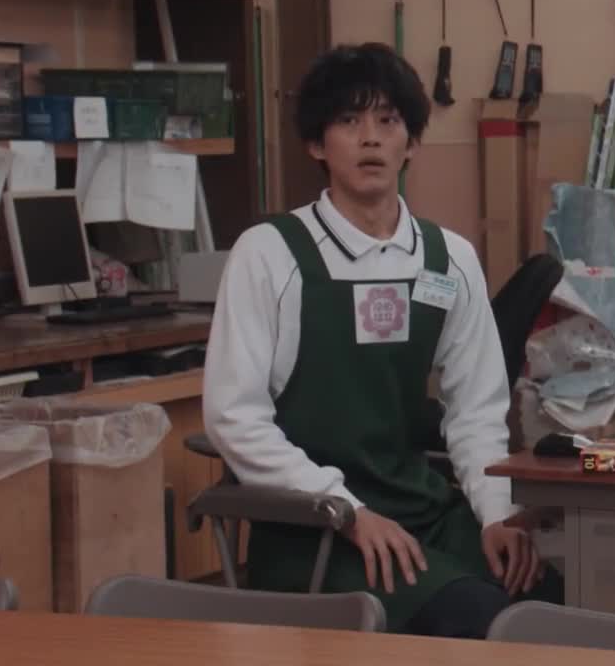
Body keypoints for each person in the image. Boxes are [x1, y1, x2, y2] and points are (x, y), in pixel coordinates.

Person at [202, 41, 562, 638]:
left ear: (411, 142)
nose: (370, 139)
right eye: (349, 121)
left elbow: (475, 410)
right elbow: (233, 417)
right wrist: (346, 509)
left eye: (388, 121)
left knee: (556, 604)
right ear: (317, 144)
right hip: (316, 530)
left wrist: (497, 515)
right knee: (482, 619)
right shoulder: (269, 254)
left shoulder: (449, 259)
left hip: (424, 512)